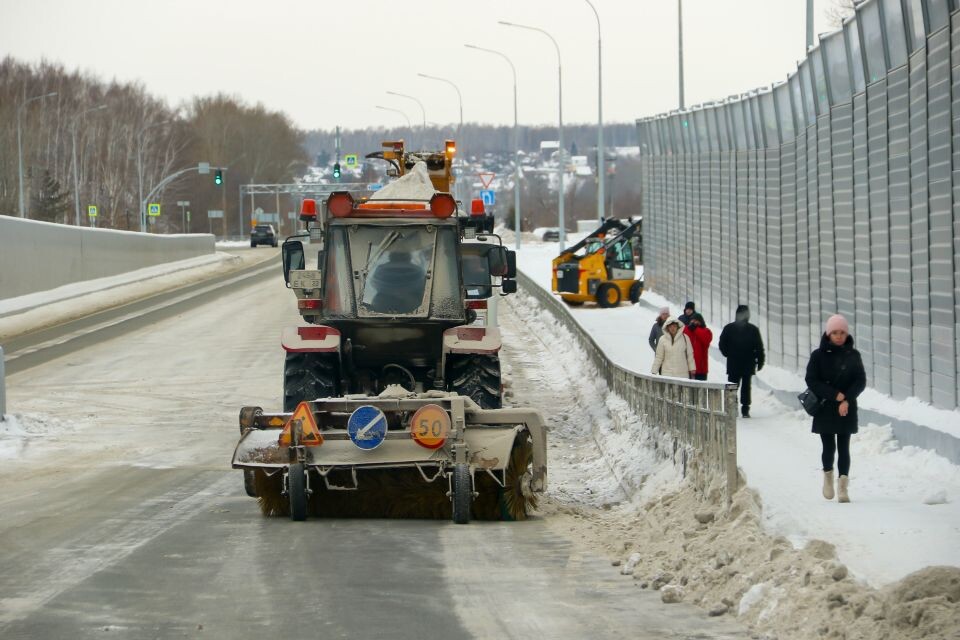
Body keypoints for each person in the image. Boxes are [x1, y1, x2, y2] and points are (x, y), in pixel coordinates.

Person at [805, 314, 866, 503]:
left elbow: (860, 380)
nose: (839, 336)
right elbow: (812, 380)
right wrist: (835, 395)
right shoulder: (818, 355)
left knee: (844, 447)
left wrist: (846, 399)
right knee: (828, 446)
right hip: (825, 408)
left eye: (842, 333)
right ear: (828, 333)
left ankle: (843, 487)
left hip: (846, 408)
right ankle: (828, 478)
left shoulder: (853, 356)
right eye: (835, 333)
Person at [718, 304, 765, 417]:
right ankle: (745, 409)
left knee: (733, 385)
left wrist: (728, 353)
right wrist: (760, 361)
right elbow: (759, 347)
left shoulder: (729, 328)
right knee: (745, 387)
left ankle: (733, 407)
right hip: (747, 363)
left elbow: (722, 344)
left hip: (734, 362)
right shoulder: (753, 329)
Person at [684, 313, 713, 381]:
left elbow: (706, 339)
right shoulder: (686, 329)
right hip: (688, 367)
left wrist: (695, 329)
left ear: (700, 321)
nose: (694, 322)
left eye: (696, 320)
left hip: (701, 369)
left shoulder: (706, 331)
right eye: (692, 320)